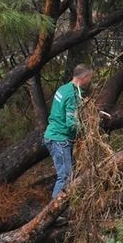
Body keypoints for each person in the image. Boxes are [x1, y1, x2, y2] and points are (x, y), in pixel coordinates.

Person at [44, 64, 94, 199]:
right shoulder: (72, 95)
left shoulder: (64, 88)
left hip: (54, 135)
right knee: (65, 176)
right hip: (60, 139)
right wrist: (87, 130)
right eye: (90, 78)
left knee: (68, 173)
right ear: (84, 77)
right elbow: (71, 123)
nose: (90, 81)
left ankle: (63, 204)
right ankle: (54, 208)